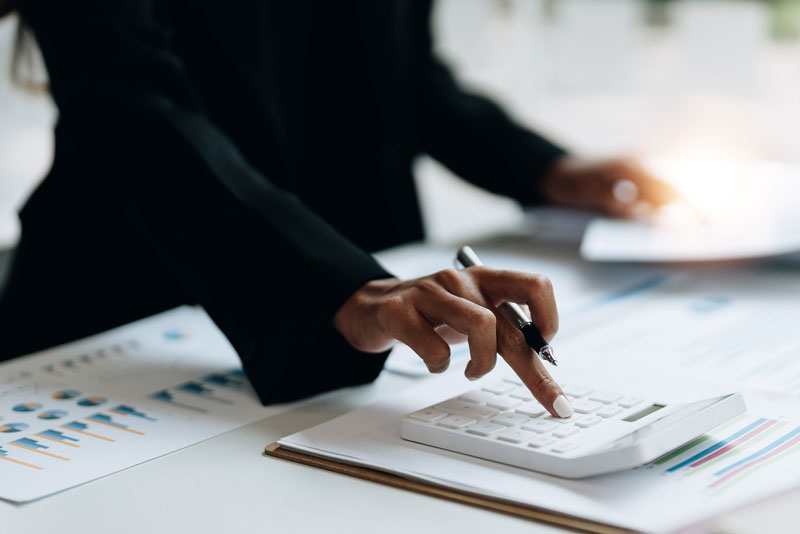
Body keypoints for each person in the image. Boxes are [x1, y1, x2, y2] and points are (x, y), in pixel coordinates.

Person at [0, 1, 675, 418]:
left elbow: (401, 69)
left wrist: (541, 167)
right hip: (129, 305)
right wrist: (335, 284)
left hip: (357, 301)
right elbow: (126, 100)